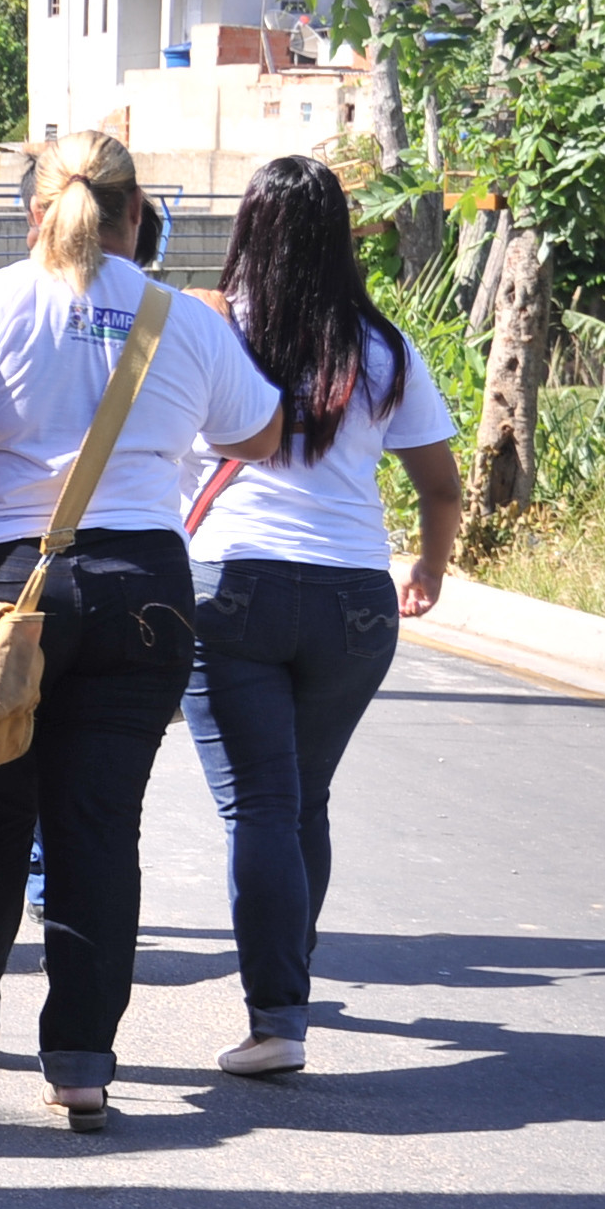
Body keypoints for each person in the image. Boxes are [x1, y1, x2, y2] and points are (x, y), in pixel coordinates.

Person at [0, 130, 281, 1133]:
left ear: (36, 212)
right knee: (97, 826)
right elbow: (259, 432)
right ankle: (79, 1061)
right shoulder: (185, 319)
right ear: (132, 216)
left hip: (2, 594)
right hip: (144, 591)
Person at [179, 155, 463, 1076]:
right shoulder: (382, 346)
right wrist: (429, 565)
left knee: (259, 805)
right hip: (354, 600)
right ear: (341, 234)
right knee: (304, 799)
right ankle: (287, 989)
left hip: (236, 586)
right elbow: (441, 486)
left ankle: (278, 1021)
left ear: (248, 232)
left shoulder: (214, 332)